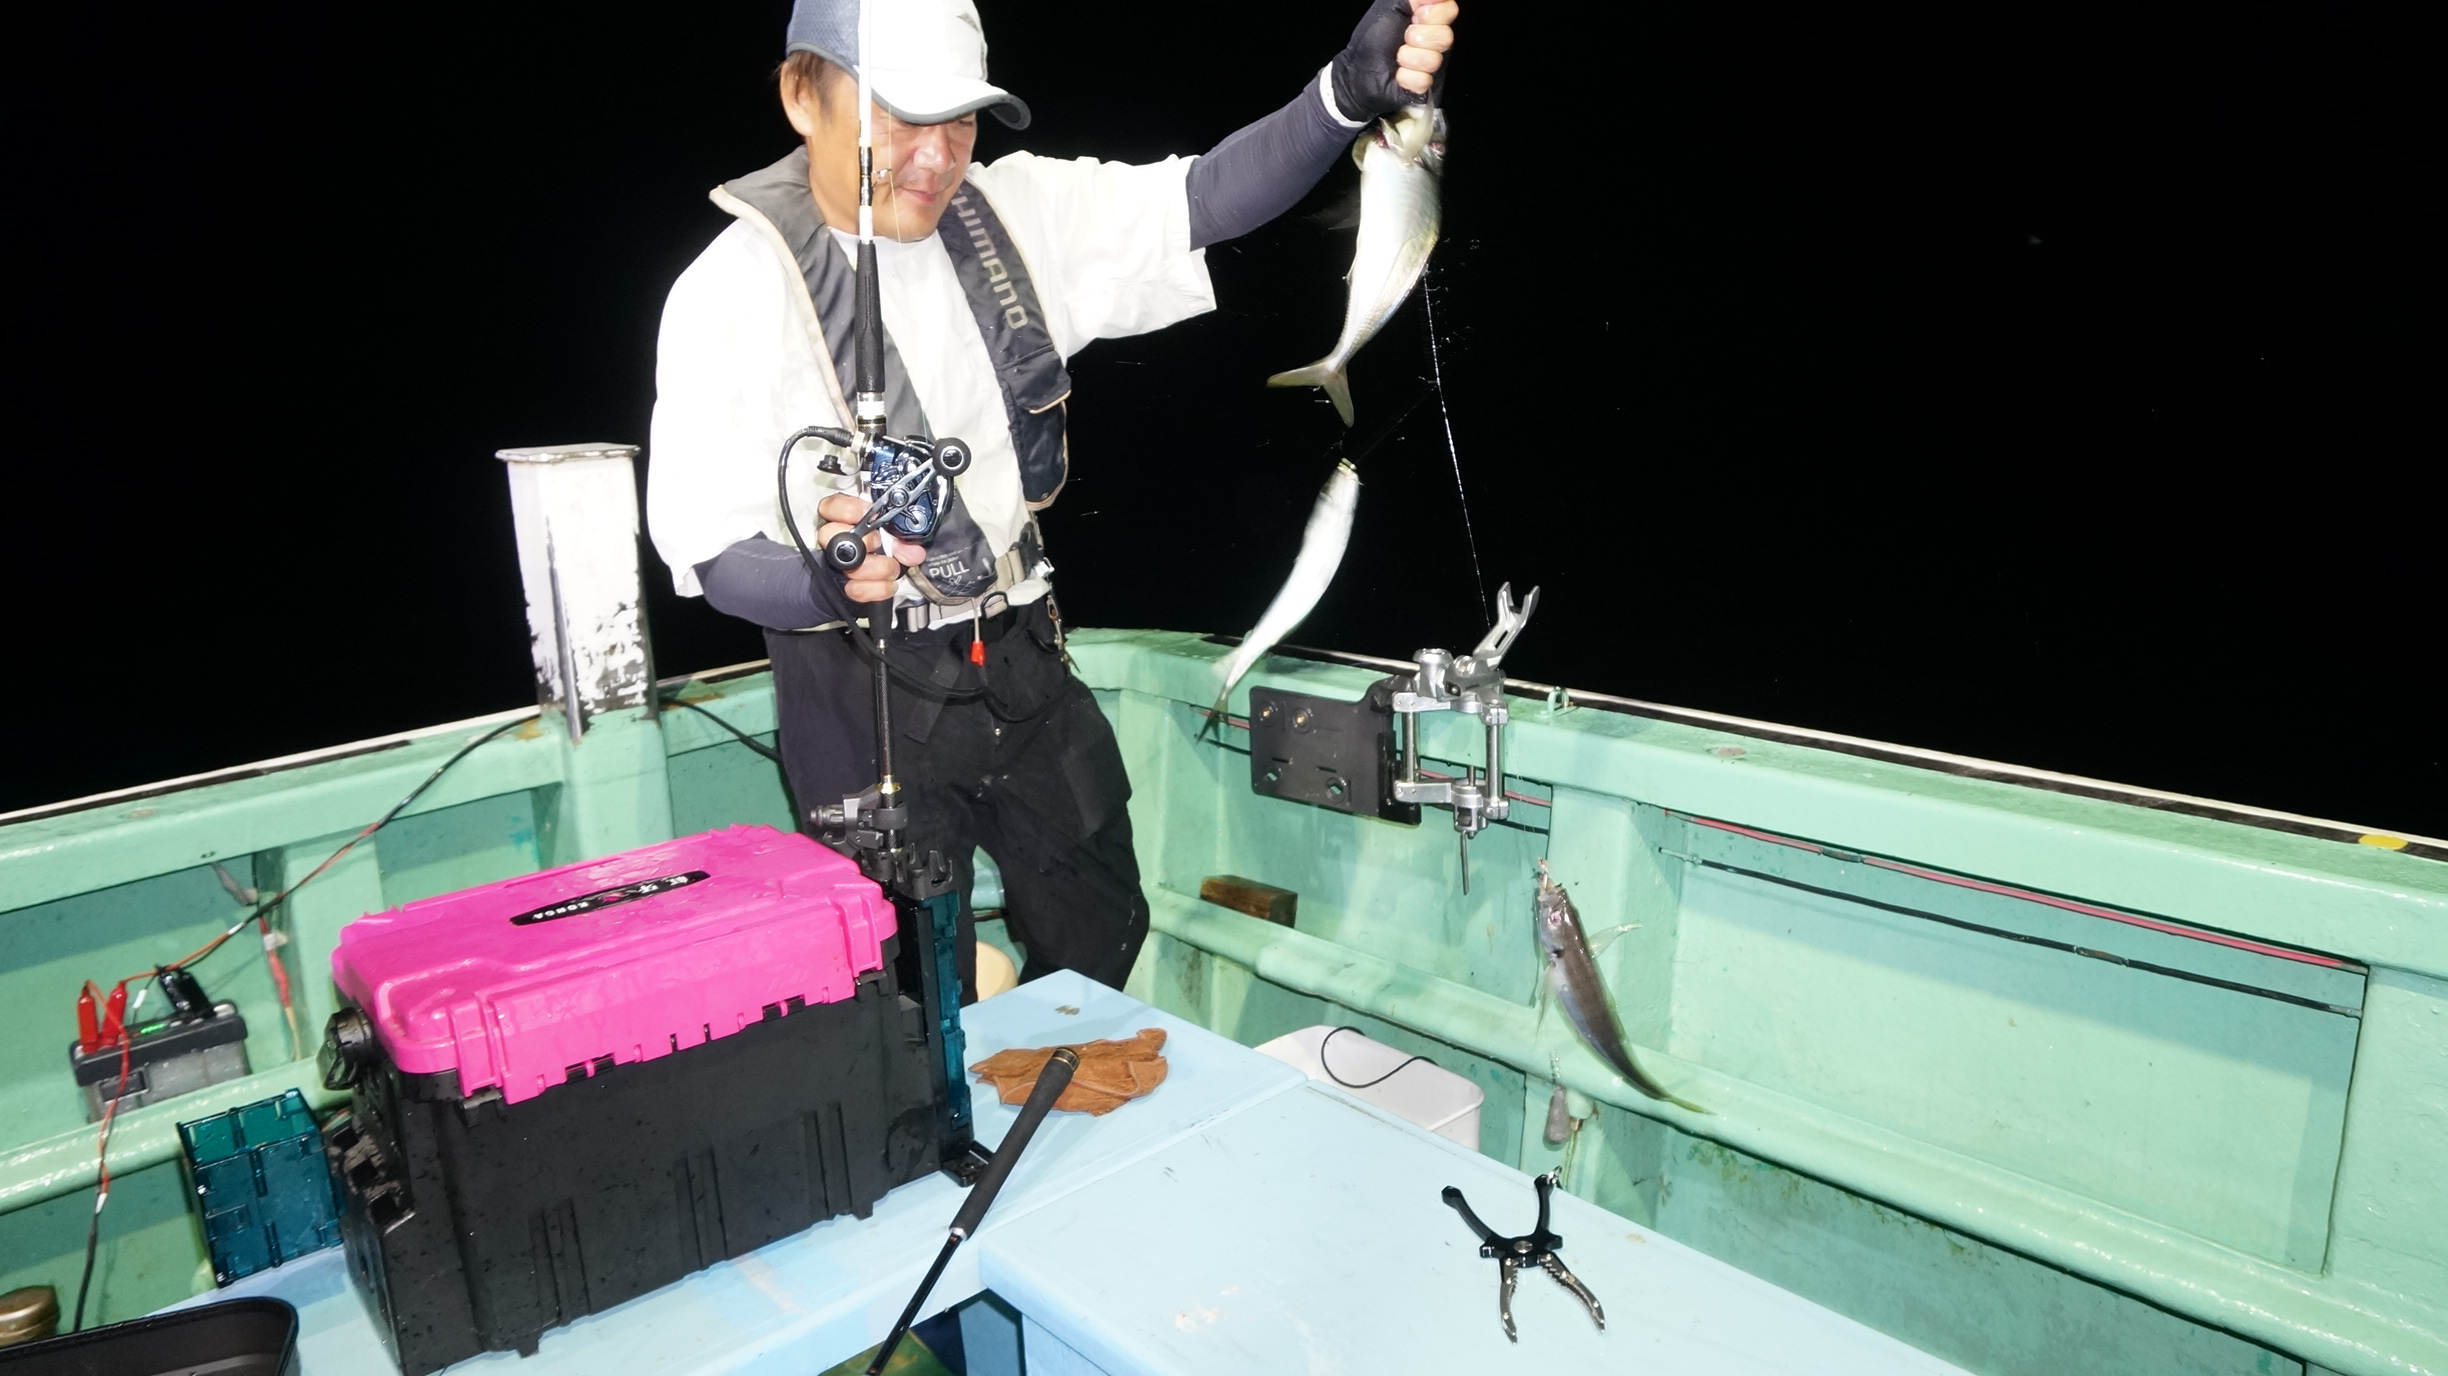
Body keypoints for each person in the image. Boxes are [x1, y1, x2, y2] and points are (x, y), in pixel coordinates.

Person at [646, 0, 1457, 1001]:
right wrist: (826, 578)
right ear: (803, 97)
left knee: (1104, 921)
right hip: (856, 685)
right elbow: (713, 552)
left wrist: (1342, 96)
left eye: (960, 120)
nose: (937, 155)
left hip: (1017, 644)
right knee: (908, 994)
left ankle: (1044, 1063)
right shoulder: (727, 292)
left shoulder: (1016, 212)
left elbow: (1207, 197)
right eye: (901, 117)